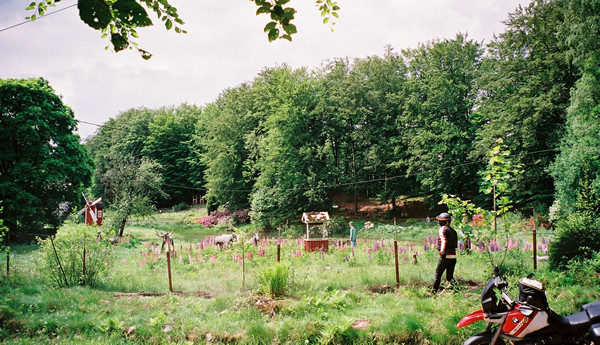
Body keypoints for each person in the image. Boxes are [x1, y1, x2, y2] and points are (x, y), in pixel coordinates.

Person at [432, 212, 458, 293]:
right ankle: (457, 290)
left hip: (445, 256)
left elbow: (443, 240)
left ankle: (433, 292)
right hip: (453, 256)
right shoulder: (453, 231)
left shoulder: (443, 229)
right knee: (450, 277)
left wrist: (442, 251)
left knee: (437, 275)